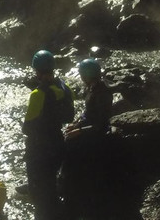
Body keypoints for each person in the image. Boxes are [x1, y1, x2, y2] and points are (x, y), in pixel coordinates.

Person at [22, 49, 74, 220]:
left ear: (36, 70)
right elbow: (69, 116)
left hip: (39, 149)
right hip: (58, 143)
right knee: (51, 184)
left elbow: (27, 127)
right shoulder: (64, 88)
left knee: (40, 195)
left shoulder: (38, 95)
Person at [62, 58, 113, 218]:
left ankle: (67, 184)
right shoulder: (93, 88)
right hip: (90, 128)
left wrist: (80, 132)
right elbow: (87, 115)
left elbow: (100, 124)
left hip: (98, 134)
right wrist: (76, 124)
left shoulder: (102, 92)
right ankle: (64, 181)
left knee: (70, 142)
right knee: (67, 135)